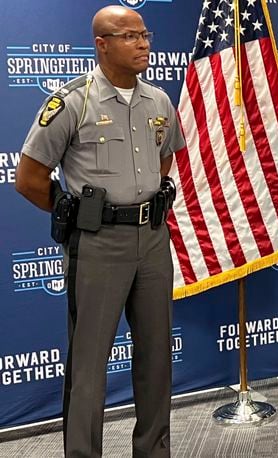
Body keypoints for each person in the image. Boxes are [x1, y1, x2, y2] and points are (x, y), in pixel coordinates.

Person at [15, 6, 184, 456]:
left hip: (151, 240)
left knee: (156, 357)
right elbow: (29, 178)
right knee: (88, 365)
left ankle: (153, 451)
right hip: (97, 245)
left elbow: (165, 157)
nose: (142, 43)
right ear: (102, 44)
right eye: (128, 36)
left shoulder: (160, 101)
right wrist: (78, 212)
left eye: (144, 34)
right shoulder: (72, 102)